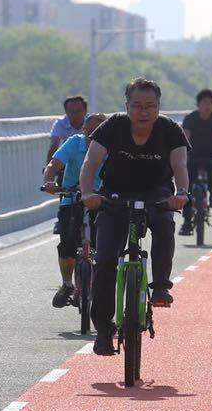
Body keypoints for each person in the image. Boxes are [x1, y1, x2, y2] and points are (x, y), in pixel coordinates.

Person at [79, 78, 189, 354]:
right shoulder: (112, 126)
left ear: (158, 107)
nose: (144, 111)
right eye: (137, 105)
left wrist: (182, 193)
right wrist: (87, 193)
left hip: (157, 192)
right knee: (105, 260)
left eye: (150, 105)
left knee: (164, 224)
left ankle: (161, 286)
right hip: (115, 194)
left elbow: (180, 165)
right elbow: (90, 163)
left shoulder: (170, 130)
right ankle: (103, 329)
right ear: (127, 106)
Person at [43, 113, 107, 307]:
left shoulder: (113, 146)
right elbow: (54, 165)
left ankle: (103, 284)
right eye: (90, 132)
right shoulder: (74, 143)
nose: (94, 137)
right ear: (83, 130)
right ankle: (67, 284)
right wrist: (49, 180)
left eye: (100, 132)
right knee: (67, 242)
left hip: (103, 200)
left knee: (106, 244)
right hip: (72, 198)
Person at [179, 88, 212, 233]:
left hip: (211, 155)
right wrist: (182, 157)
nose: (208, 105)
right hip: (192, 155)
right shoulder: (190, 118)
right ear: (198, 104)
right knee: (187, 187)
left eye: (211, 103)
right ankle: (187, 221)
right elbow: (185, 139)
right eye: (205, 102)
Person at [46, 95, 89, 162]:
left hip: (88, 157)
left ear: (85, 111)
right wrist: (49, 165)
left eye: (78, 111)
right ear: (66, 112)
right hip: (68, 158)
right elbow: (54, 145)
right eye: (71, 111)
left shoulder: (92, 122)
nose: (75, 114)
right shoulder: (60, 123)